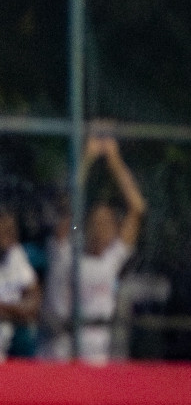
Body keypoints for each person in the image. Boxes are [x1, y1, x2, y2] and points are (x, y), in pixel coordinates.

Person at [43, 135, 146, 363]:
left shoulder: (112, 259)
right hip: (59, 359)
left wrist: (114, 160)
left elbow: (137, 208)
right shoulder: (65, 252)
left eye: (108, 224)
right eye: (96, 223)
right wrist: (86, 158)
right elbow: (66, 206)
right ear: (86, 226)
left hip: (96, 362)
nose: (101, 230)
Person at [0, 207, 41, 360]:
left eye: (11, 230)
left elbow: (32, 308)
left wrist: (4, 309)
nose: (9, 235)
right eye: (4, 229)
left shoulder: (16, 254)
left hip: (10, 343)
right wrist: (16, 311)